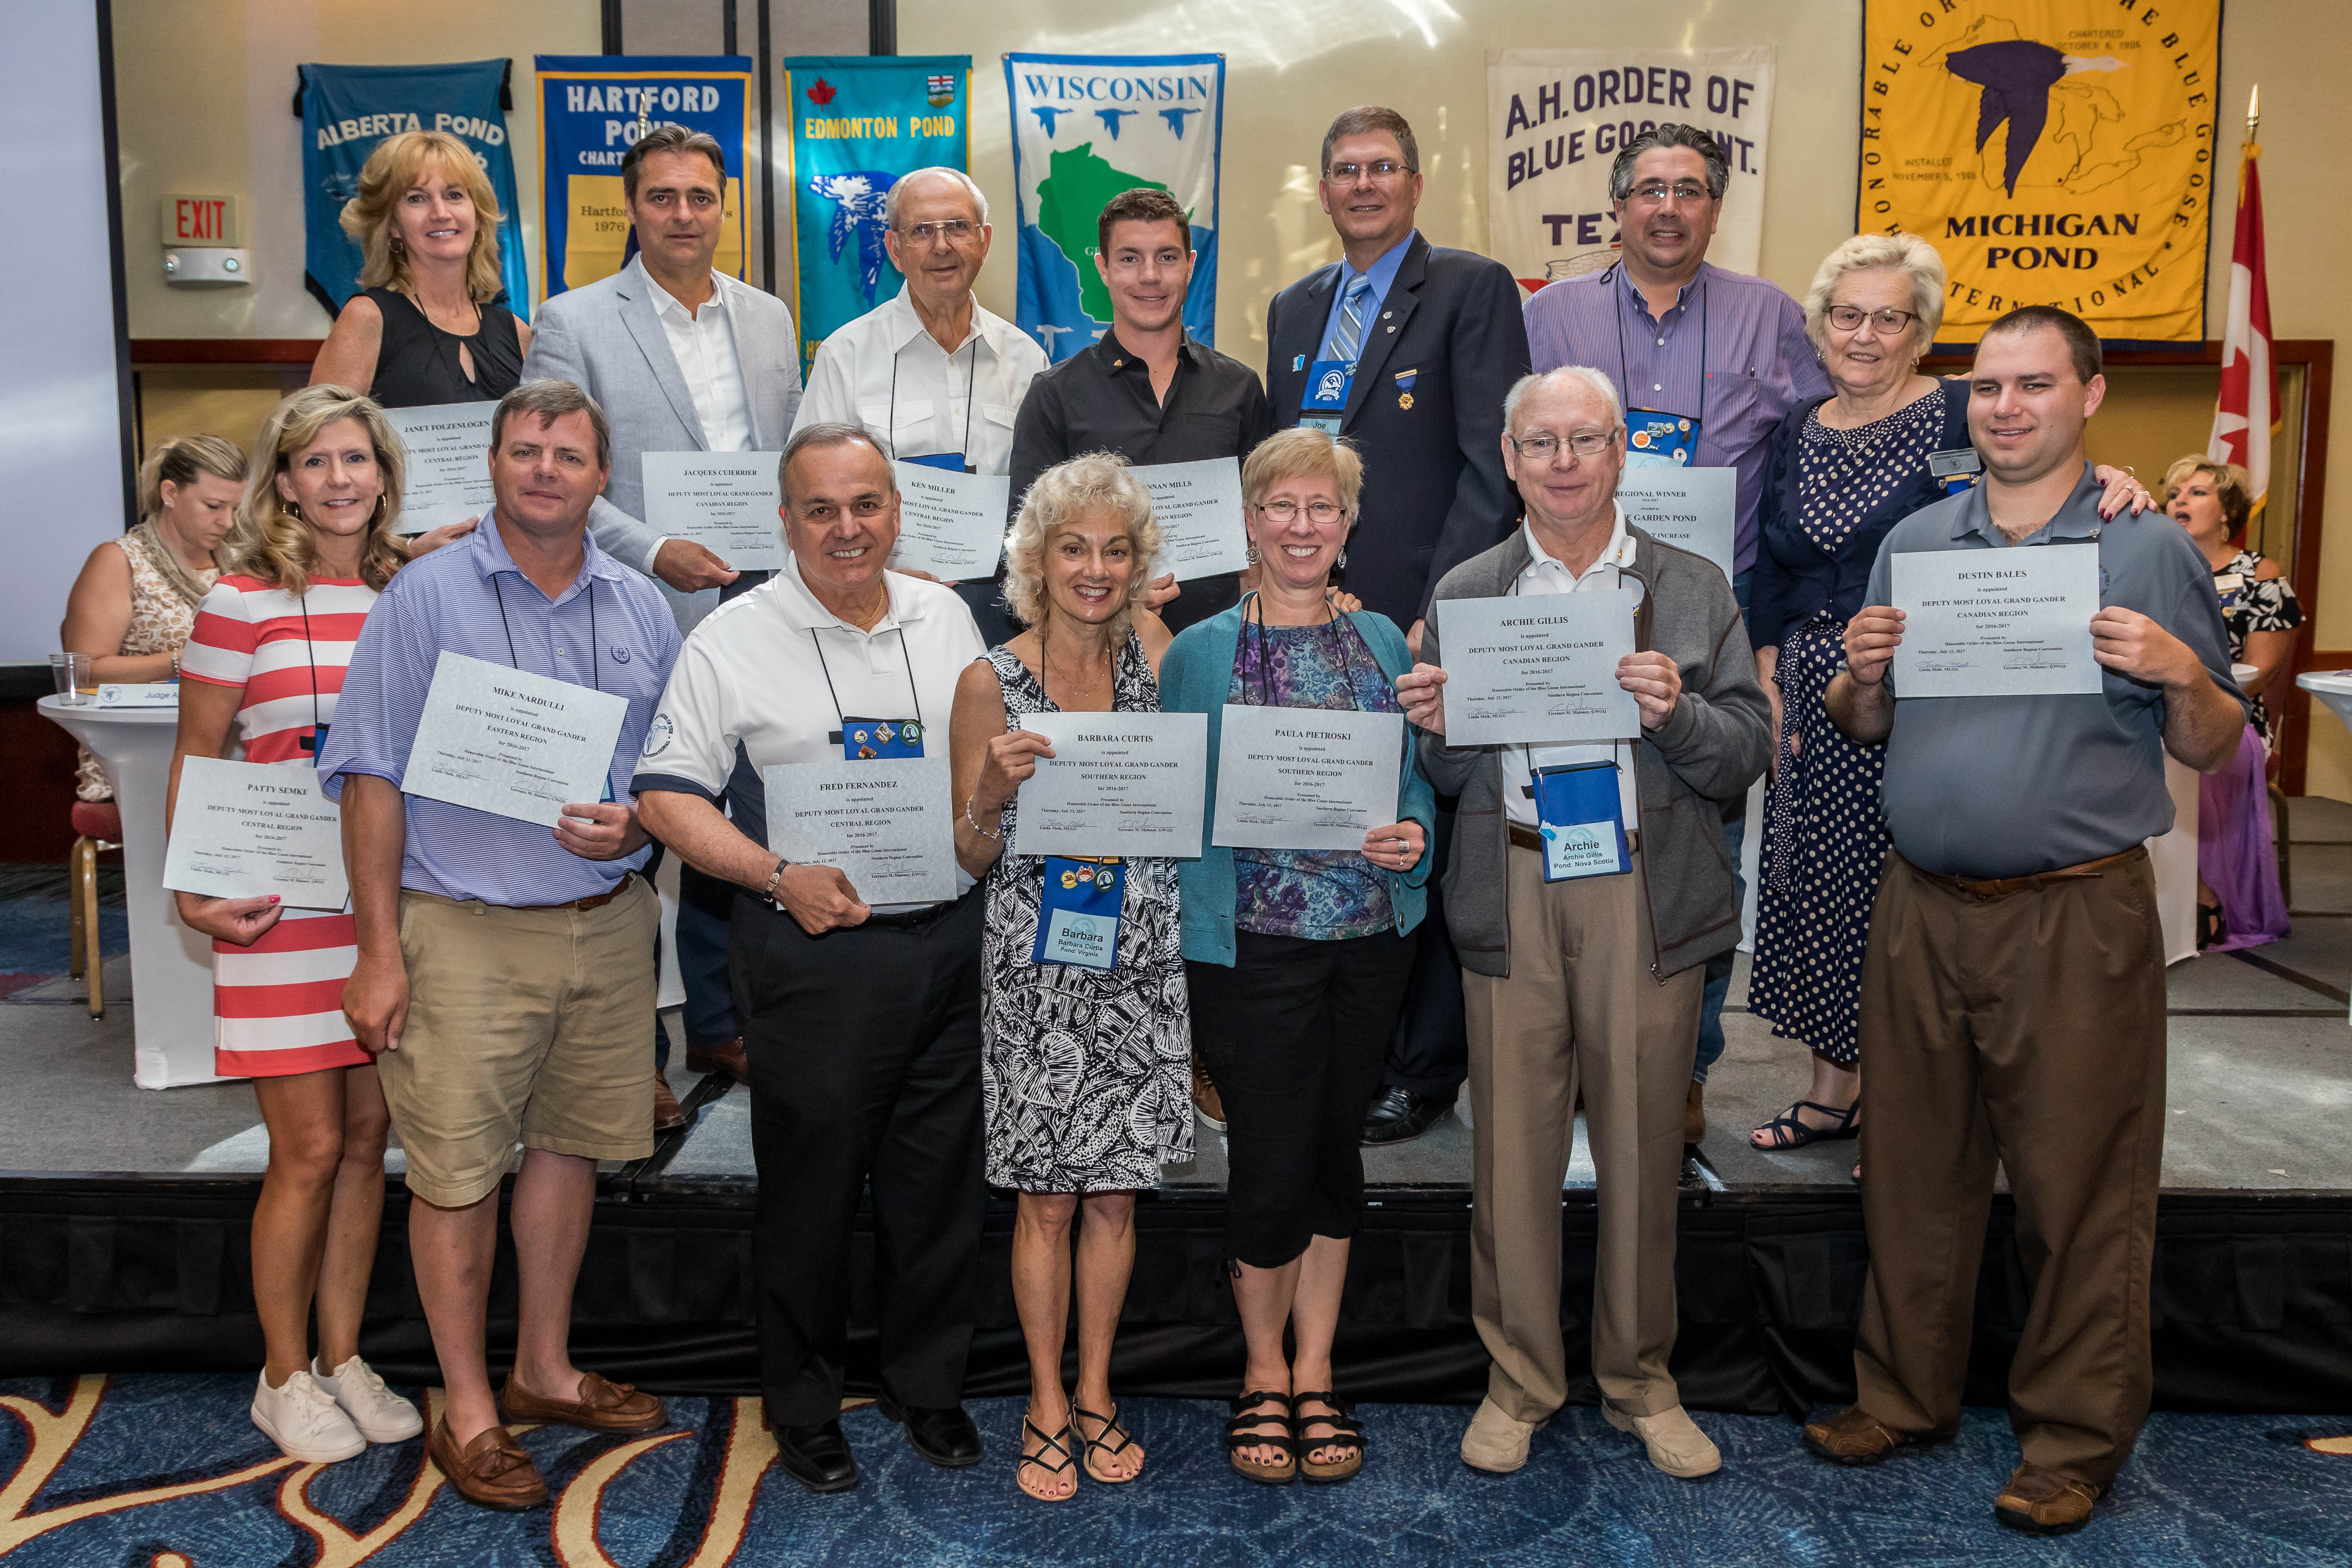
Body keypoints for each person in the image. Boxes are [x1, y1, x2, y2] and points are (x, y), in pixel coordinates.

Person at [1803, 308, 2247, 1537]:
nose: (2005, 407)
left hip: (2074, 913)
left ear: (2088, 396)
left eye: (2033, 384)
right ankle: (1901, 1396)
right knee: (1909, 1173)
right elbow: (1861, 721)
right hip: (1918, 905)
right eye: (1988, 386)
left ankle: (2069, 1440)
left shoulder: (2143, 546)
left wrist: (2178, 668)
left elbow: (2213, 742)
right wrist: (1859, 673)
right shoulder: (1914, 541)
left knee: (2079, 1189)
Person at [1397, 365, 1768, 1481]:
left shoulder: (1689, 584)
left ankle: (1640, 1379)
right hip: (1512, 881)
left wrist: (1677, 712)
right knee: (1509, 1151)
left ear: (1618, 453)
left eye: (1584, 440)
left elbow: (1744, 751)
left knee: (1644, 1146)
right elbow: (1444, 772)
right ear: (1509, 460)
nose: (1562, 462)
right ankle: (1517, 1380)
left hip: (1639, 892)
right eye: (1539, 442)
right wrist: (1435, 723)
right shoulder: (1468, 588)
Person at [320, 379, 681, 1511]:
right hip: (461, 928)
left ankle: (543, 1369)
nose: (543, 471)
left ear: (601, 476)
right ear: (490, 462)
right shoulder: (423, 596)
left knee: (571, 1151)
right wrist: (378, 952)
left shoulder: (642, 607)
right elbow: (369, 775)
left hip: (604, 926)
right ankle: (470, 1408)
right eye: (524, 450)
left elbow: (666, 774)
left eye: (567, 455)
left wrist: (638, 822)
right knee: (458, 1173)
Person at [633, 424, 988, 1496]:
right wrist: (775, 872)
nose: (847, 528)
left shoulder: (945, 615)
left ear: (896, 511)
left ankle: (926, 1383)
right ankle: (802, 1403)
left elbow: (978, 770)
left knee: (937, 1184)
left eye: (866, 504)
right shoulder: (729, 639)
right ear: (784, 521)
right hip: (811, 952)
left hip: (948, 939)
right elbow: (665, 796)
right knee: (811, 1192)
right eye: (821, 509)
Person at [1743, 235, 2149, 1154]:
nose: (1864, 335)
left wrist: (2113, 478)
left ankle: (1905, 1113)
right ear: (1818, 328)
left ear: (1921, 331)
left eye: (1889, 317)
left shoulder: (1960, 409)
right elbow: (1770, 562)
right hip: (1812, 688)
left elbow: (2041, 469)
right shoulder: (1796, 426)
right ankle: (1831, 1091)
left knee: (1898, 903)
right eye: (1846, 315)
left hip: (1926, 686)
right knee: (1818, 888)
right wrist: (1768, 673)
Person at [1521, 123, 1831, 1148]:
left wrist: (1772, 639)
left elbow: (1809, 473)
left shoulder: (1771, 317)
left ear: (1714, 208)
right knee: (1566, 829)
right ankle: (1571, 1056)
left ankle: (1684, 1069)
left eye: (1688, 190)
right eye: (1648, 189)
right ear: (1616, 206)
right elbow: (1510, 451)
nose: (1666, 208)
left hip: (1711, 612)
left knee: (1702, 850)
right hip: (1566, 602)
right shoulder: (1548, 313)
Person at [1162, 426, 1435, 1486]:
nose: (1300, 524)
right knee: (1269, 1158)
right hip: (1249, 946)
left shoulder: (1382, 639)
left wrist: (1413, 835)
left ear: (1348, 523)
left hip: (1369, 939)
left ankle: (1315, 1368)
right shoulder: (1197, 653)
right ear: (1249, 519)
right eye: (1280, 505)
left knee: (1332, 1151)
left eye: (1322, 506)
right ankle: (1260, 1371)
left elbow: (1412, 782)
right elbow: (1171, 795)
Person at [1263, 105, 1529, 1149]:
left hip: (1419, 621)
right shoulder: (1294, 308)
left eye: (1381, 168)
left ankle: (1421, 1066)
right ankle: (1353, 1044)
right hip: (1314, 618)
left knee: (1426, 828)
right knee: (1341, 822)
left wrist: (1438, 611)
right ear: (1323, 190)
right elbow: (1288, 470)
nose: (1363, 185)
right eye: (1345, 170)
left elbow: (1488, 465)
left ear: (1415, 185)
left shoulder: (1468, 288)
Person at [524, 122, 804, 1114]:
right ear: (631, 208)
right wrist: (653, 551)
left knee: (739, 811)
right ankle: (627, 1050)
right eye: (662, 196)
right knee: (635, 816)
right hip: (634, 601)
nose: (683, 214)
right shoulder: (571, 321)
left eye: (700, 196)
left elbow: (790, 457)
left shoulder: (769, 318)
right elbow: (553, 474)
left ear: (724, 206)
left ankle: (722, 1023)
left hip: (759, 600)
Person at [163, 389, 419, 1464]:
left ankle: (342, 1354)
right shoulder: (239, 601)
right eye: (315, 462)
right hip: (279, 905)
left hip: (388, 906)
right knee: (307, 1148)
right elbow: (196, 749)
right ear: (283, 482)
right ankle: (282, 1375)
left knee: (366, 1144)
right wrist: (191, 889)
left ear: (384, 473)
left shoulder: (413, 591)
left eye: (356, 458)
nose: (339, 479)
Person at [949, 453, 1188, 1501]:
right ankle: (1044, 1396)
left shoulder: (1158, 652)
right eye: (1073, 547)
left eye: (1115, 549)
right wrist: (991, 793)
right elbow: (968, 854)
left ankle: (1096, 1389)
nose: (1094, 568)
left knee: (1116, 1200)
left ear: (1138, 562)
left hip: (1138, 963)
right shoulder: (985, 680)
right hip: (1036, 974)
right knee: (1045, 1203)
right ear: (1036, 560)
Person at [794, 166, 1047, 643]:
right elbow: (809, 496)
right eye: (922, 231)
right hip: (878, 605)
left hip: (1005, 612)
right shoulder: (845, 356)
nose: (942, 246)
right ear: (894, 248)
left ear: (984, 240)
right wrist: (875, 571)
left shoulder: (1026, 359)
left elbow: (1044, 498)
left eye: (958, 227)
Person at [1010, 187, 1270, 642]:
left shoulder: (1240, 389)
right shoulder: (1055, 395)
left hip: (1222, 645)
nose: (1150, 276)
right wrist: (1116, 589)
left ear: (1191, 265)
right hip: (1096, 650)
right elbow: (1027, 546)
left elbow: (1266, 520)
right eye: (1129, 259)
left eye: (1167, 258)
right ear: (1103, 268)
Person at [61, 436, 243, 805]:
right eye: (213, 506)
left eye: (236, 508)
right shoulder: (119, 561)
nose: (227, 522)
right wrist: (185, 662)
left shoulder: (242, 562)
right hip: (138, 748)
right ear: (170, 493)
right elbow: (84, 672)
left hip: (231, 742)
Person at [2166, 454, 2297, 950]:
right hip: (2160, 708)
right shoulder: (2160, 566)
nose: (2180, 501)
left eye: (2197, 493)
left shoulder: (2259, 573)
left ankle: (2203, 894)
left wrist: (2198, 699)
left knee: (2193, 750)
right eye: (2174, 494)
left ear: (2228, 512)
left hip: (2235, 714)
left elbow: (2261, 673)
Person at [312, 129, 529, 407]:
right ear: (393, 225)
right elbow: (318, 430)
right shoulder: (367, 318)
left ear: (478, 216)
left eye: (454, 195)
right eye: (416, 198)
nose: (441, 213)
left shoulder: (517, 333)